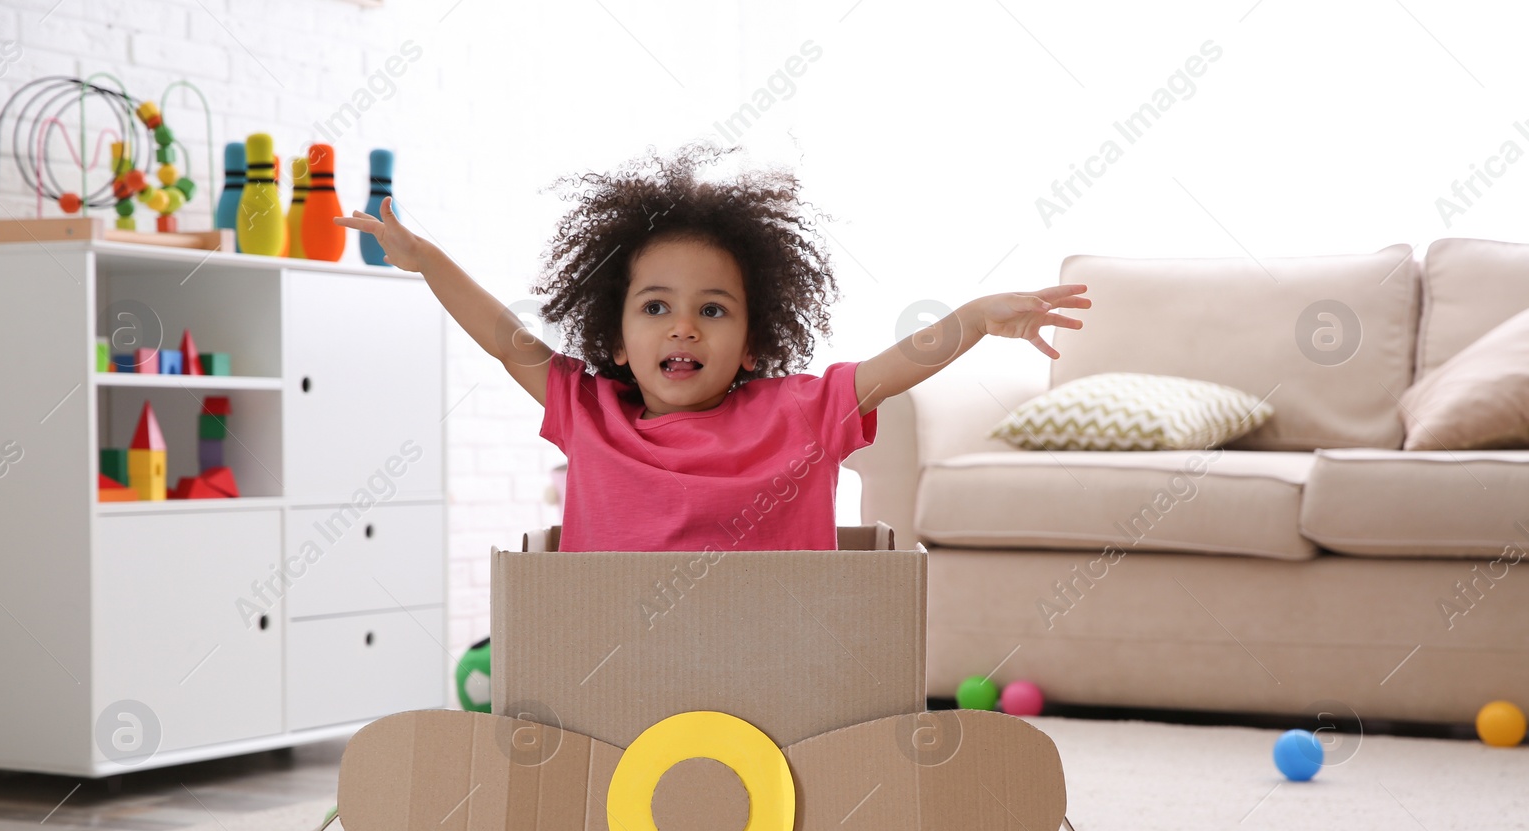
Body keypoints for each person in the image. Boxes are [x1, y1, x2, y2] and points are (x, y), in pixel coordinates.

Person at [336, 141, 1088, 552]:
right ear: (616, 339)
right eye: (656, 307)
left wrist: (980, 316)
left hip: (775, 668)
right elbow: (509, 342)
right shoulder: (589, 409)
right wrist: (429, 260)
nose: (683, 327)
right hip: (614, 668)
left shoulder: (800, 411)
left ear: (755, 343)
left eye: (713, 310)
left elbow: (900, 363)